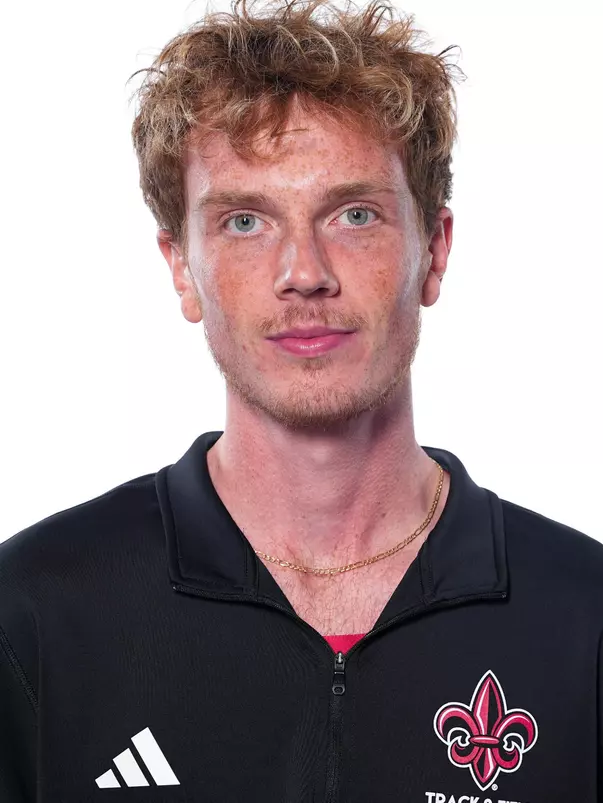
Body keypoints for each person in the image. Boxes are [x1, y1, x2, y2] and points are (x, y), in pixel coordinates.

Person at [1, 0, 602, 800]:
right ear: (182, 267)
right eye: (245, 220)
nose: (303, 271)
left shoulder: (581, 617)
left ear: (435, 252)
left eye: (355, 215)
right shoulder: (37, 613)